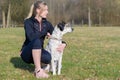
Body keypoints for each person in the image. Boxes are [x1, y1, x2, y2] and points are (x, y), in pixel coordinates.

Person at [20, 0, 66, 78]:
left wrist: (64, 44)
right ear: (38, 10)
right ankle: (38, 71)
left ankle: (40, 68)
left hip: (38, 51)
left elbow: (55, 36)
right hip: (27, 53)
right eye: (45, 10)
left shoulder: (47, 24)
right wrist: (44, 32)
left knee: (48, 58)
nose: (47, 12)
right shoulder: (28, 22)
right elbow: (31, 37)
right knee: (37, 41)